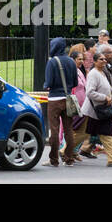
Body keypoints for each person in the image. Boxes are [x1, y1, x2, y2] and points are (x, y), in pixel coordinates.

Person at [80, 49, 112, 167]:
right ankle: (64, 151)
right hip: (94, 111)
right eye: (101, 59)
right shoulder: (94, 74)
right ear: (94, 61)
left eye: (105, 59)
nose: (104, 60)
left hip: (103, 111)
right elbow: (90, 92)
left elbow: (110, 89)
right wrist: (104, 98)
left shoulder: (103, 72)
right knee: (81, 134)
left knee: (107, 134)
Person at [43, 37, 78, 166]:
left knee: (54, 130)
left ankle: (54, 159)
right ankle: (69, 159)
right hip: (68, 99)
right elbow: (75, 82)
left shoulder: (52, 62)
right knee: (69, 130)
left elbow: (49, 83)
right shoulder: (71, 62)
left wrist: (45, 85)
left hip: (54, 99)